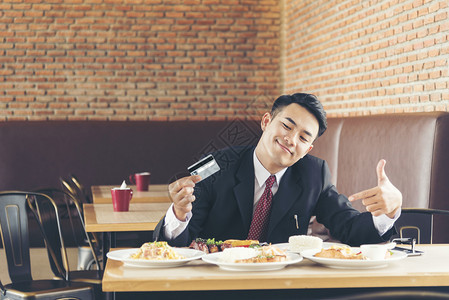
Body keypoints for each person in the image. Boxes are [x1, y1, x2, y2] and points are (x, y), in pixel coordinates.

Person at [153, 93, 402, 247]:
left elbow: (350, 230)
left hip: (280, 286)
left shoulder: (315, 173)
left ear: (308, 148)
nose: (292, 140)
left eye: (304, 138)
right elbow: (175, 244)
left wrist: (388, 212)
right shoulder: (213, 164)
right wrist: (178, 213)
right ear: (265, 121)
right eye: (287, 126)